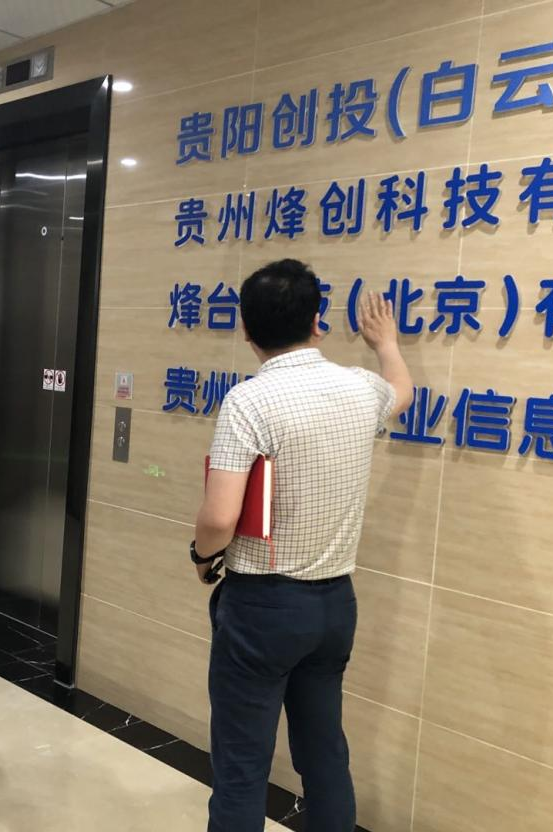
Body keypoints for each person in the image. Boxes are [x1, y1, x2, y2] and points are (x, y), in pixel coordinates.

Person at [191, 259, 413, 832]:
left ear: (246, 328)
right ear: (318, 322)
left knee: (243, 766)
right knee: (324, 756)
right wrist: (386, 344)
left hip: (262, 608)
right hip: (334, 605)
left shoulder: (249, 402)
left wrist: (201, 555)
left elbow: (219, 517)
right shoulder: (360, 388)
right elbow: (401, 393)